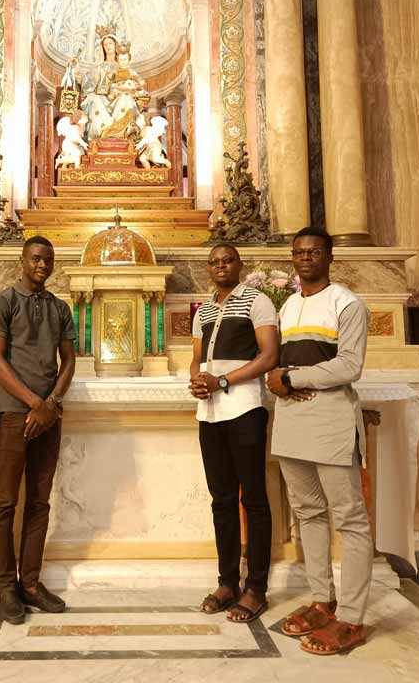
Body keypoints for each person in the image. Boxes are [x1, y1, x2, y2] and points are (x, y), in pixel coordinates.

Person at [267, 226, 372, 656]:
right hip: (292, 420)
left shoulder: (347, 303)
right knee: (308, 514)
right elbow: (280, 362)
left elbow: (349, 366)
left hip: (330, 420)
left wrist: (293, 378)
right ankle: (322, 601)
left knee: (350, 519)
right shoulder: (289, 305)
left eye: (314, 252)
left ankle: (352, 618)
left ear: (330, 257)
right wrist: (280, 379)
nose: (305, 258)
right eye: (299, 252)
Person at [0, 235, 76, 624]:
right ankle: (6, 587)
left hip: (48, 415)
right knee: (5, 502)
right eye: (36, 258)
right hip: (13, 413)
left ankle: (32, 584)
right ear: (23, 260)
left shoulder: (60, 307)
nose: (42, 265)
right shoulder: (3, 302)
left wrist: (51, 403)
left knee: (40, 501)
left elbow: (68, 361)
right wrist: (34, 403)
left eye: (48, 260)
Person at [189, 244, 279, 623]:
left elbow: (269, 356)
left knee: (253, 499)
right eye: (214, 262)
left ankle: (256, 588)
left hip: (245, 410)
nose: (221, 266)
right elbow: (197, 359)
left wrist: (222, 380)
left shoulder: (257, 301)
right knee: (221, 500)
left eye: (227, 260)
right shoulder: (204, 310)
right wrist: (197, 379)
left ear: (239, 264)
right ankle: (227, 583)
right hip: (210, 414)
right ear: (208, 269)